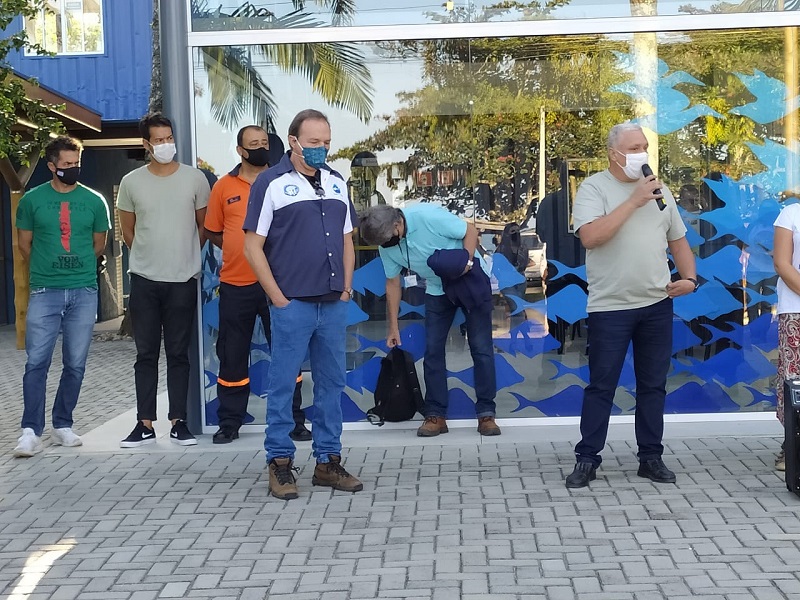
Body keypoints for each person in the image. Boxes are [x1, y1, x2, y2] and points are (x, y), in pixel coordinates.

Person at [565, 122, 698, 489]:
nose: (642, 154)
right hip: (610, 307)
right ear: (613, 153)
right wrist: (634, 200)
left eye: (644, 147)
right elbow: (591, 237)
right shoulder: (594, 188)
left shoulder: (661, 190)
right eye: (634, 147)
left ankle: (650, 458)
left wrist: (690, 278)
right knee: (601, 385)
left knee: (653, 385)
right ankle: (588, 458)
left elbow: (678, 240)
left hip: (656, 304)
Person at [243, 108, 362, 500]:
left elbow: (347, 238)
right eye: (313, 143)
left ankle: (328, 462)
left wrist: (346, 288)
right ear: (293, 141)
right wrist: (277, 296)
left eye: (326, 142)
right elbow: (252, 245)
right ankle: (279, 464)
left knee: (332, 383)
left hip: (332, 303)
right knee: (283, 384)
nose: (321, 149)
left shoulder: (336, 181)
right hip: (292, 303)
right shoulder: (270, 183)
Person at [204, 125, 310, 444]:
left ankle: (294, 420)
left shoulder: (283, 181)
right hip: (236, 284)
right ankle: (230, 422)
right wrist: (241, 251)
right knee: (233, 354)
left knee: (287, 353)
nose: (261, 148)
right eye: (254, 144)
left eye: (264, 143)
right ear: (240, 150)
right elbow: (212, 230)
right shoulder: (224, 186)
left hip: (279, 284)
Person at [359, 203, 501, 438]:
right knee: (433, 351)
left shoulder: (426, 217)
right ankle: (435, 415)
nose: (385, 245)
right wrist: (393, 327)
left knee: (481, 348)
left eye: (387, 239)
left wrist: (466, 262)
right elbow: (393, 283)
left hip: (469, 280)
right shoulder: (387, 244)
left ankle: (486, 413)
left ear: (398, 224)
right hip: (437, 289)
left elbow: (470, 230)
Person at [13, 136, 111, 457]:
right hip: (44, 290)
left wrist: (77, 269)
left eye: (76, 163)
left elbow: (99, 244)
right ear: (52, 166)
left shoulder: (95, 201)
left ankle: (62, 424)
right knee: (36, 362)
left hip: (84, 290)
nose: (72, 169)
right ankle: (30, 431)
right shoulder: (32, 200)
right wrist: (49, 269)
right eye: (66, 164)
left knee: (76, 364)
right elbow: (24, 245)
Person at [117, 112, 210, 448]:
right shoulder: (131, 182)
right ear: (146, 144)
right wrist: (150, 255)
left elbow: (203, 227)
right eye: (158, 139)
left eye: (169, 137)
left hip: (184, 278)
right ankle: (144, 424)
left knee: (179, 353)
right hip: (143, 278)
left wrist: (185, 255)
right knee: (145, 353)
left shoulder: (195, 179)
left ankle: (178, 422)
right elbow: (128, 231)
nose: (166, 144)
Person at [772, 202, 800, 471]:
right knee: (794, 379)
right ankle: (791, 447)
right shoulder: (791, 213)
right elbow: (782, 263)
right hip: (796, 312)